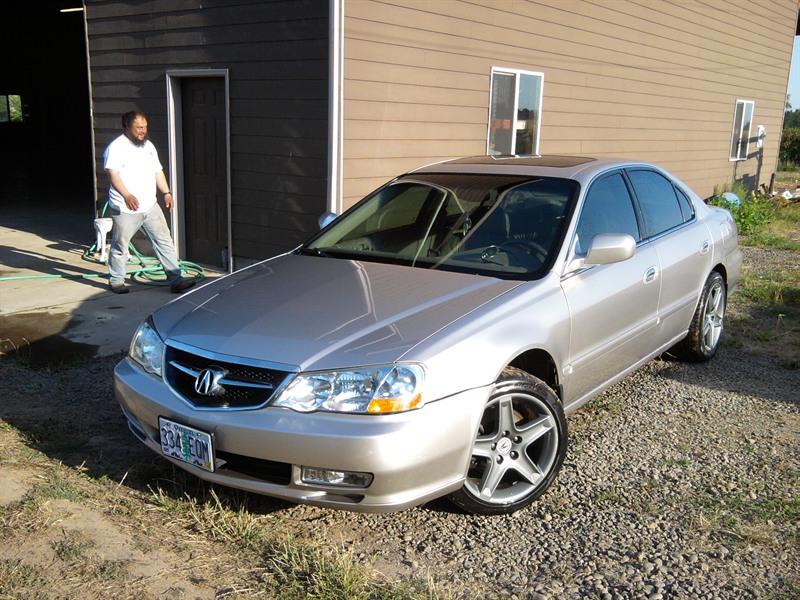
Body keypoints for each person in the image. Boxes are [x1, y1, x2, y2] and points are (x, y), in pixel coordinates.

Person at [104, 110, 195, 294]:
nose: (143, 131)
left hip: (150, 206)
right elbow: (112, 174)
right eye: (139, 127)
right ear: (127, 127)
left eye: (145, 127)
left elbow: (157, 171)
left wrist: (166, 193)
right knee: (120, 244)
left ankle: (176, 280)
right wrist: (127, 195)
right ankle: (116, 281)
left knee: (164, 241)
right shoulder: (116, 148)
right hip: (126, 208)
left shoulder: (148, 146)